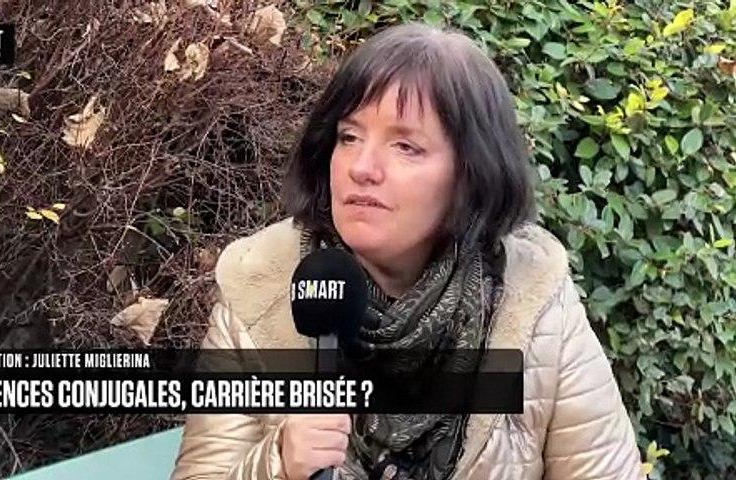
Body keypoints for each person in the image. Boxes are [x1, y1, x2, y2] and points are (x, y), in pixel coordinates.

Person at [172, 23, 644, 480]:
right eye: (349, 137)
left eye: (405, 146)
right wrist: (278, 464)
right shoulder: (260, 286)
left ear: (471, 173)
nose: (362, 168)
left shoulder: (535, 298)